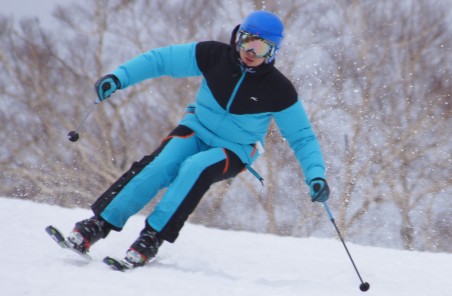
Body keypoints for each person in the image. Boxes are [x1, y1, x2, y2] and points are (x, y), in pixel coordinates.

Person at [65, 10, 330, 266]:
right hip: (196, 128)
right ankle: (99, 224)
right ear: (238, 37)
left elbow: (302, 137)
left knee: (195, 167)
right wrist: (119, 77)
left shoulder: (279, 90)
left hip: (234, 149)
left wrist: (315, 175)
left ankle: (151, 238)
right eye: (247, 42)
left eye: (261, 48)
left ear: (273, 52)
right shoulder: (213, 55)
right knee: (161, 164)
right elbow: (161, 60)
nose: (250, 52)